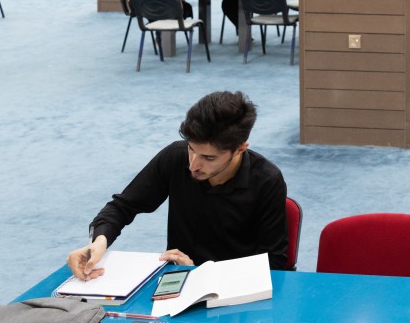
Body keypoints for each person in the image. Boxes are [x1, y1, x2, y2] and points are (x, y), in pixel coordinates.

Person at [65, 91, 289, 280]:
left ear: (240, 148)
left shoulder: (267, 181)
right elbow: (121, 208)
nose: (193, 165)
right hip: (178, 284)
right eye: (191, 149)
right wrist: (99, 242)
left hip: (236, 292)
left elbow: (273, 265)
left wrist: (200, 273)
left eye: (208, 158)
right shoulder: (175, 157)